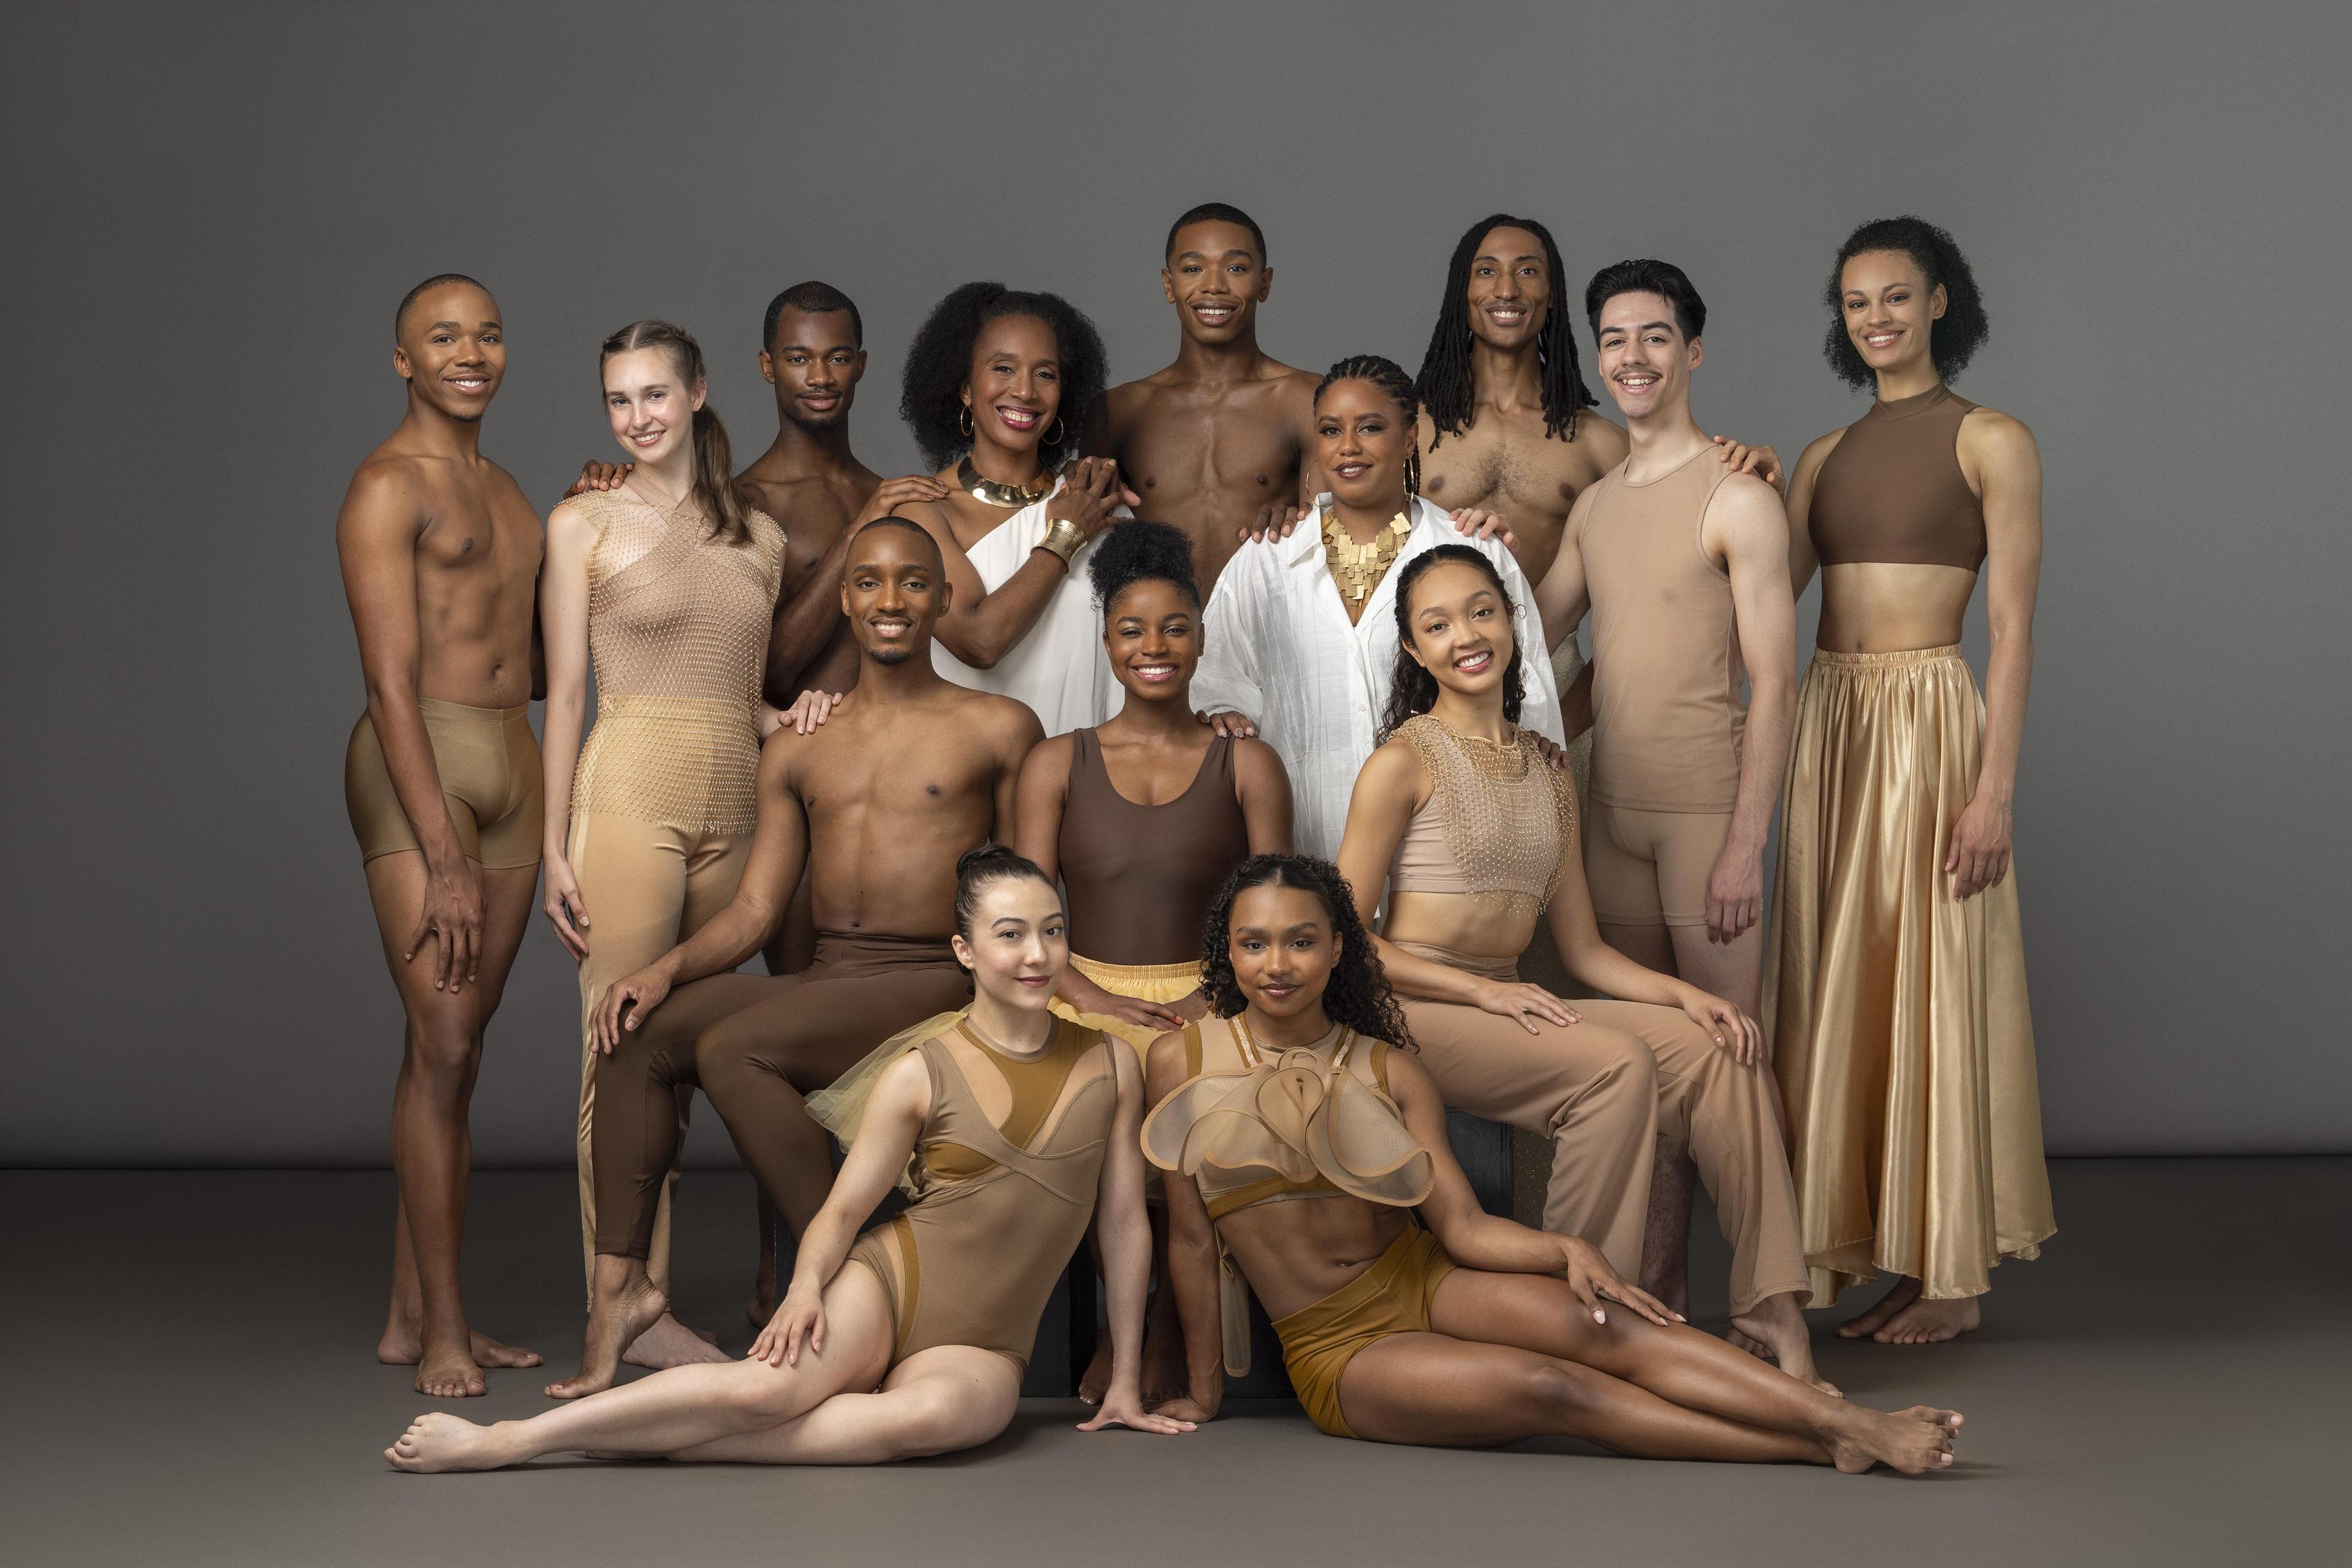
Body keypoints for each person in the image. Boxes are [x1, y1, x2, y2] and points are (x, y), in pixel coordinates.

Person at [1142, 854, 1961, 1469]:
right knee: (1552, 1389)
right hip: (1339, 1345)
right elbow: (1186, 1240)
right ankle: (1826, 1446)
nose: (1276, 964)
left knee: (1610, 1323)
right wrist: (1204, 1390)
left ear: (1337, 953)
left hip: (1425, 1278)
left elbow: (1460, 1227)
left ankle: (1847, 1419)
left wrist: (1563, 1249)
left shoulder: (1388, 1065)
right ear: (1227, 952)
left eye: (1300, 942)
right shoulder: (1182, 1063)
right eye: (1254, 944)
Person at [387, 848, 1191, 1471]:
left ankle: (659, 1440)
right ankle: (511, 1440)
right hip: (893, 1284)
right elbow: (843, 1208)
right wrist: (807, 1290)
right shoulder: (921, 1070)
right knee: (768, 1386)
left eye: (1052, 930)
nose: (1036, 953)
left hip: (982, 1344)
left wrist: (1122, 1376)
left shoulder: (1109, 1064)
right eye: (1010, 934)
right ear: (966, 950)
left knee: (930, 1423)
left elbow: (1122, 1226)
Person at [540, 517, 1036, 1398]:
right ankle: (622, 1296)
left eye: (913, 583)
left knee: (736, 1048)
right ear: (845, 599)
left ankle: (850, 1279)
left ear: (944, 599)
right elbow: (759, 910)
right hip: (833, 976)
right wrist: (663, 969)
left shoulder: (998, 726)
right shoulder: (803, 742)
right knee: (632, 1025)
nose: (891, 601)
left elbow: (1030, 889)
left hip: (934, 976)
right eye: (871, 582)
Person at [1335, 547, 1824, 1390]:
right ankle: (1583, 1314)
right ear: (1414, 652)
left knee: (1721, 1049)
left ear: (1513, 622)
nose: (1466, 636)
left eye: (1482, 611)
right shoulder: (1401, 762)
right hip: (1413, 1008)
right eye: (1438, 625)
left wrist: (1692, 999)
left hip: (1506, 1001)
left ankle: (1768, 1311)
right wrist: (1483, 989)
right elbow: (1343, 940)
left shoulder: (1547, 769)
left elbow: (1587, 950)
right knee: (1614, 1064)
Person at [1769, 216, 2055, 1344]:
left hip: (1928, 722)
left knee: (1932, 976)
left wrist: (1995, 792)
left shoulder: (1994, 439)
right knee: (1842, 983)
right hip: (1829, 723)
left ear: (1940, 302)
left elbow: (2019, 633)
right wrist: (1722, 483)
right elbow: (1758, 598)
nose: (1875, 317)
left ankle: (1955, 1276)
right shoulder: (1822, 459)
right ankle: (1867, 1245)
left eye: (1895, 296)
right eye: (1854, 303)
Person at [1529, 261, 1800, 1306]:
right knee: (1644, 1080)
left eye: (1653, 337)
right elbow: (1529, 640)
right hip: (1610, 819)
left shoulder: (1739, 499)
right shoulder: (1596, 507)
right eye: (1613, 339)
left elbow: (1774, 684)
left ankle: (1772, 1307)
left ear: (1692, 352)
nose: (1631, 358)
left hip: (1702, 816)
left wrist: (1745, 843)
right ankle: (1659, 1302)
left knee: (1729, 1070)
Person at [538, 320, 789, 1371]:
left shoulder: (761, 537)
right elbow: (564, 697)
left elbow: (742, 692)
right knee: (614, 1049)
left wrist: (798, 712)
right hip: (629, 792)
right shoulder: (582, 523)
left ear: (696, 395)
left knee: (681, 1064)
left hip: (733, 797)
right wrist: (554, 846)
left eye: (654, 395)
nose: (636, 417)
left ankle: (647, 1305)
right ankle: (623, 1300)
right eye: (617, 400)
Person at [1012, 519, 1293, 1402]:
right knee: (1094, 1110)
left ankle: (1168, 1333)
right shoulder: (1057, 762)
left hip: (1217, 1000)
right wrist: (1087, 993)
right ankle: (1123, 1327)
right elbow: (1027, 917)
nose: (1155, 647)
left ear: (1202, 637)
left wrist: (1217, 999)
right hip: (1078, 991)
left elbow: (1274, 915)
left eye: (1175, 628)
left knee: (1189, 1116)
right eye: (1132, 631)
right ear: (1107, 643)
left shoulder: (1245, 761)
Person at [338, 274, 544, 1398]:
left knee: (456, 1052)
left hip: (515, 760)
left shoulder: (507, 490)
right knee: (447, 1045)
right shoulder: (386, 487)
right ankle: (447, 1332)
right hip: (425, 774)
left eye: (490, 335)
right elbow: (388, 681)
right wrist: (445, 858)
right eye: (445, 337)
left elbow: (544, 657)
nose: (473, 353)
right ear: (405, 359)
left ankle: (407, 1312)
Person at [1190, 355, 1564, 862]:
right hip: (1302, 850)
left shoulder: (1474, 550)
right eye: (1329, 430)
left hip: (1448, 862)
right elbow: (1215, 693)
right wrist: (1222, 720)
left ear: (1410, 437)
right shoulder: (1265, 559)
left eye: (1370, 427)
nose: (1347, 447)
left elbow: (1529, 697)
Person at [565, 282, 950, 705]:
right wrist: (859, 529)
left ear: (859, 365)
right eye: (798, 359)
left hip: (899, 752)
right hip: (796, 750)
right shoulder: (739, 506)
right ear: (768, 366)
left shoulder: (893, 496)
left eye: (837, 359)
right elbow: (764, 678)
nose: (820, 377)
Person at [807, 281, 1133, 737]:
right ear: (964, 388)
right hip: (960, 782)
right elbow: (980, 642)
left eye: (1046, 374)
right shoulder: (922, 512)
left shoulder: (1092, 503)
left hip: (1084, 776)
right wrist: (1064, 535)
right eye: (1003, 368)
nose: (1024, 391)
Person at [1413, 214, 1625, 791]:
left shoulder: (1598, 442)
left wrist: (1736, 464)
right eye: (1487, 272)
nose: (1507, 290)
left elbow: (1650, 590)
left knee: (1564, 875)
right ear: (1464, 294)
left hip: (1558, 679)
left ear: (1550, 295)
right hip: (1433, 681)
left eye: (1527, 271)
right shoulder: (1413, 431)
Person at [1087, 203, 1321, 595]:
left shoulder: (1306, 399)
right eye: (1193, 269)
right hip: (1157, 642)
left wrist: (1298, 520)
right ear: (1168, 284)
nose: (1214, 285)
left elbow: (1328, 535)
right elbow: (1086, 540)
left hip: (1274, 635)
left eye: (1236, 268)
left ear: (1264, 284)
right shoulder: (1117, 411)